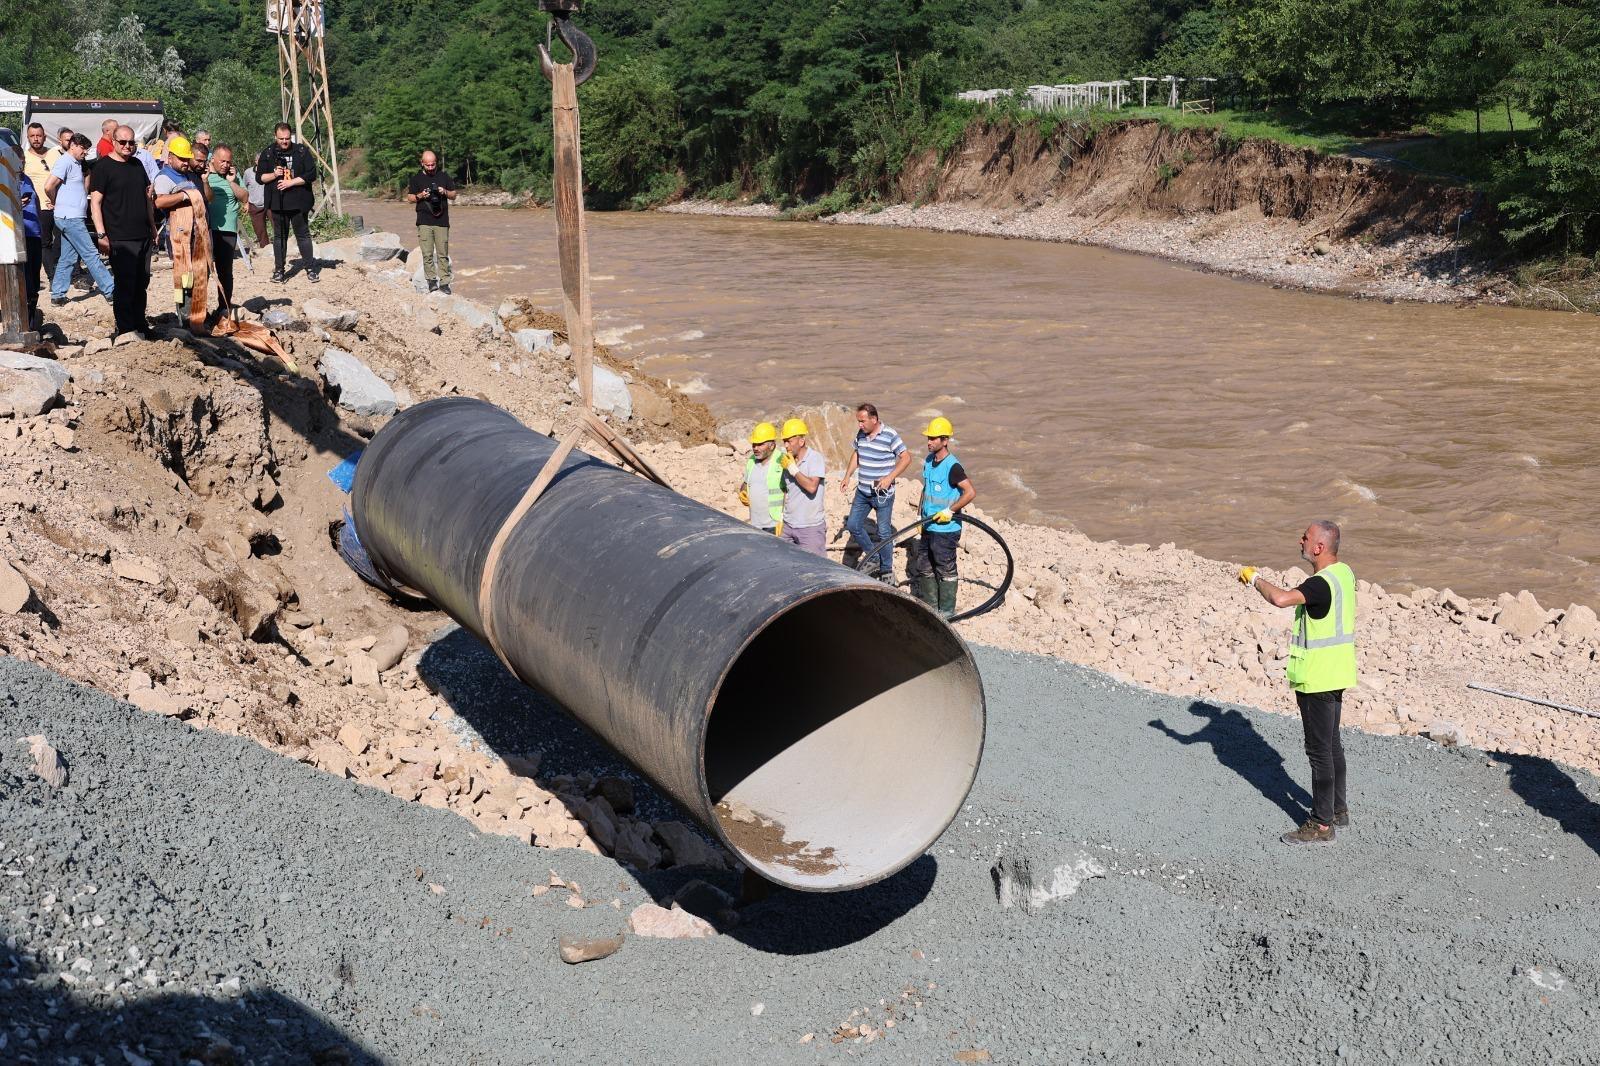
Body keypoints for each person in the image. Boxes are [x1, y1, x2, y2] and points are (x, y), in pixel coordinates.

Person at [1239, 520, 1357, 847]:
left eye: (1305, 538)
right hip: (1337, 672)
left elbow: (1280, 599)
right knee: (1332, 744)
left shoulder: (1319, 584)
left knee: (1319, 752)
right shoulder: (1344, 574)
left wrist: (1254, 578)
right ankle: (1338, 810)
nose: (1300, 541)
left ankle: (1321, 824)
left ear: (1319, 547)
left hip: (1317, 677)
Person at [89, 126, 156, 338]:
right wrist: (101, 234)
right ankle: (126, 329)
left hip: (143, 234)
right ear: (114, 142)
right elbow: (95, 203)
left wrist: (153, 226)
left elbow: (147, 198)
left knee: (141, 283)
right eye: (123, 142)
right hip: (119, 236)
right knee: (125, 284)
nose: (127, 146)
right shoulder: (102, 167)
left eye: (131, 142)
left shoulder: (137, 165)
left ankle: (140, 324)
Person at [910, 417, 976, 619]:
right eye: (928, 438)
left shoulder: (953, 467)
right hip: (928, 525)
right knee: (924, 565)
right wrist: (920, 515)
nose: (929, 442)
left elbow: (970, 492)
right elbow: (926, 489)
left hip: (946, 529)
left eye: (933, 438)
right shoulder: (929, 461)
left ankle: (947, 611)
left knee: (945, 569)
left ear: (945, 440)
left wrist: (950, 511)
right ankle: (931, 607)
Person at [841, 402, 912, 582]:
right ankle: (873, 558)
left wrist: (889, 477)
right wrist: (847, 475)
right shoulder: (861, 434)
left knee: (883, 533)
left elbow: (906, 458)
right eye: (858, 421)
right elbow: (857, 453)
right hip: (863, 492)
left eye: (862, 421)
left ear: (874, 419)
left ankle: (886, 570)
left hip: (882, 495)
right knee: (853, 525)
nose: (860, 425)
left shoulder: (890, 435)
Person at [47, 134, 114, 308]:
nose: (85, 152)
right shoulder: (65, 162)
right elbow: (48, 186)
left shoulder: (76, 163)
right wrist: (55, 201)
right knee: (91, 254)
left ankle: (58, 295)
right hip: (70, 218)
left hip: (70, 217)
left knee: (67, 258)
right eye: (83, 148)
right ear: (73, 145)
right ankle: (111, 291)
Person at [257, 123, 318, 283]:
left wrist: (291, 182)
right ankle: (279, 271)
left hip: (299, 203)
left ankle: (310, 269)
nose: (284, 141)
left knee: (303, 236)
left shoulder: (301, 151)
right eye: (281, 139)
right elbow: (260, 178)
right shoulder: (268, 153)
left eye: (287, 138)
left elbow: (311, 174)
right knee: (280, 237)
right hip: (278, 204)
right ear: (275, 137)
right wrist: (274, 174)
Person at [405, 150, 458, 293]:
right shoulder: (416, 179)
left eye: (432, 165)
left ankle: (445, 282)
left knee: (442, 254)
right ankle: (431, 281)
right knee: (427, 253)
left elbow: (454, 195)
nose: (430, 167)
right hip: (424, 221)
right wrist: (421, 195)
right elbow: (409, 198)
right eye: (427, 165)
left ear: (436, 163)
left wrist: (444, 192)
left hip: (442, 221)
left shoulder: (444, 176)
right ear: (422, 163)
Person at [205, 145, 250, 310]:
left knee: (225, 272)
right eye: (222, 161)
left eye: (228, 162)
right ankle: (199, 310)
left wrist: (231, 182)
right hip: (208, 229)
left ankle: (224, 307)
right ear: (213, 159)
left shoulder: (232, 175)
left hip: (228, 230)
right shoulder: (205, 174)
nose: (225, 165)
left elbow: (244, 197)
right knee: (204, 271)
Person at [776, 418, 827, 556]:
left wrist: (793, 469)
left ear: (801, 441)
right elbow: (787, 491)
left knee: (815, 565)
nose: (786, 446)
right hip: (788, 526)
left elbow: (812, 487)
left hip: (810, 528)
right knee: (784, 562)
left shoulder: (815, 458)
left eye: (789, 441)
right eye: (784, 441)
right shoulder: (788, 461)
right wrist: (781, 517)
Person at [21, 123, 62, 291]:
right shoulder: (24, 158)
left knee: (62, 242)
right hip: (39, 208)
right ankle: (52, 278)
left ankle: (65, 275)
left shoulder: (55, 154)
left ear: (45, 137)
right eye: (32, 136)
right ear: (28, 138)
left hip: (59, 205)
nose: (36, 139)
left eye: (39, 135)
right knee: (45, 244)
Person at [737, 422, 784, 535]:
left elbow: (793, 494)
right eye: (754, 444)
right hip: (755, 523)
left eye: (760, 444)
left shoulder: (782, 461)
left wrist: (784, 521)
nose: (755, 448)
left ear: (772, 445)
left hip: (775, 524)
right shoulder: (751, 461)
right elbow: (746, 484)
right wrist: (743, 492)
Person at [17, 172, 42, 327]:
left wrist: (40, 225)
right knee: (24, 282)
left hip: (34, 233)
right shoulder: (5, 177)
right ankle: (24, 324)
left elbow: (36, 202)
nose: (22, 163)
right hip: (18, 235)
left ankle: (31, 324)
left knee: (34, 281)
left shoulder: (26, 179)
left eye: (23, 161)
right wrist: (17, 205)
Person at [241, 162, 269, 248]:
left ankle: (281, 247)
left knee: (278, 226)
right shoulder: (248, 172)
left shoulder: (270, 170)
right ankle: (265, 249)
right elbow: (243, 188)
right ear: (256, 161)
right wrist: (246, 203)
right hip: (254, 204)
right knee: (260, 230)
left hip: (270, 204)